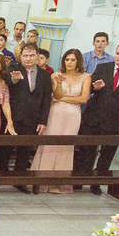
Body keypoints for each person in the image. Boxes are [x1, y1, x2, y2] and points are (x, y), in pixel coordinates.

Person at [74, 41, 119, 194]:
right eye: (117, 53)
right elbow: (88, 88)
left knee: (107, 154)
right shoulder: (103, 67)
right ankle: (79, 180)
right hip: (93, 117)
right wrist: (95, 87)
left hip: (115, 121)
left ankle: (97, 183)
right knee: (86, 151)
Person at [31, 48, 90, 193]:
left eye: (72, 60)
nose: (69, 62)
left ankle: (59, 182)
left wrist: (62, 99)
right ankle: (42, 181)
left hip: (73, 115)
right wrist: (58, 85)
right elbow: (55, 95)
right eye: (67, 59)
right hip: (56, 113)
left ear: (78, 62)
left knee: (66, 145)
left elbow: (83, 98)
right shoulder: (56, 75)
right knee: (50, 143)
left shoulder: (86, 77)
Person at [0, 42, 53, 188]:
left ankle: (20, 180)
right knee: (5, 148)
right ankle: (1, 177)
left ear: (37, 57)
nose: (28, 59)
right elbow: (7, 82)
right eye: (25, 56)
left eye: (31, 56)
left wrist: (43, 121)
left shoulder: (45, 75)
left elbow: (46, 100)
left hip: (32, 118)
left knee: (24, 150)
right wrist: (14, 79)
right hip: (12, 117)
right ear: (20, 56)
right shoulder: (13, 68)